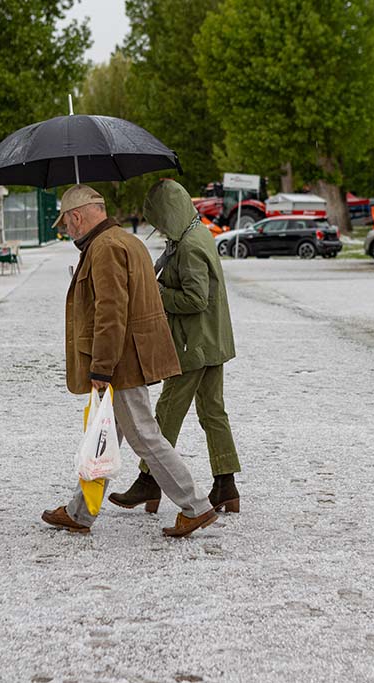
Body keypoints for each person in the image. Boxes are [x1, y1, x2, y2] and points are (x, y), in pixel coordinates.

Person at [41, 185, 217, 538]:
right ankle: (81, 511)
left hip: (121, 362)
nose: (68, 230)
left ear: (77, 216)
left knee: (144, 436)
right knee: (105, 436)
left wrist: (101, 367)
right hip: (130, 357)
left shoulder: (104, 248)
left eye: (67, 223)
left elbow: (111, 313)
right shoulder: (123, 241)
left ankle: (195, 505)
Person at [109, 180, 242, 515]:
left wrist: (157, 293)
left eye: (158, 219)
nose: (156, 227)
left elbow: (196, 299)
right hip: (211, 341)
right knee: (213, 413)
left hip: (194, 344)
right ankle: (226, 485)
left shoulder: (190, 245)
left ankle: (149, 479)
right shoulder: (194, 236)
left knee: (167, 411)